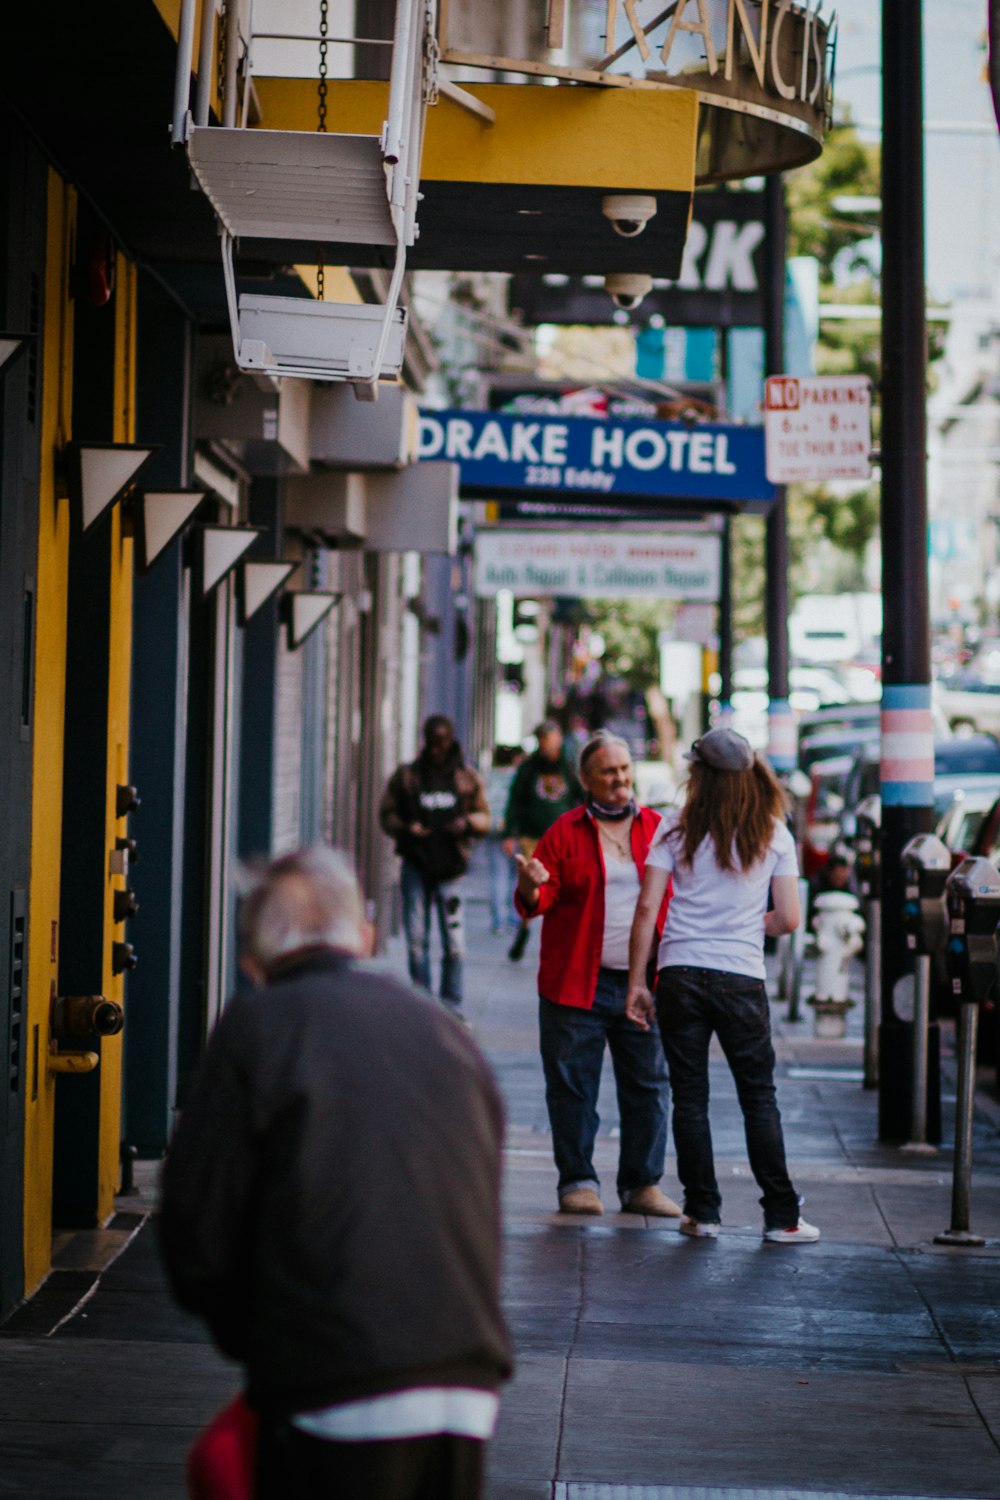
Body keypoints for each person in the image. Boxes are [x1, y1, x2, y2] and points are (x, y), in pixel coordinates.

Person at [159, 847, 512, 1500]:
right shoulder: (442, 1029)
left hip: (335, 1375)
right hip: (467, 1374)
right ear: (365, 936)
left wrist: (265, 1343)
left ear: (253, 963)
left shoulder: (256, 1027)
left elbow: (195, 1231)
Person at [626, 727, 821, 1245]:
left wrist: (636, 983)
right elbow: (789, 919)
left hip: (680, 973)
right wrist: (744, 923)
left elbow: (647, 909)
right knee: (758, 1097)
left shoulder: (673, 827)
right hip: (740, 977)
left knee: (690, 1096)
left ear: (699, 775)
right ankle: (781, 1216)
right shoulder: (773, 832)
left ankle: (703, 1211)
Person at [514, 731, 680, 1219]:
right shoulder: (565, 832)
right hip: (575, 984)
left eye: (625, 769)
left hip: (642, 983)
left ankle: (642, 1184)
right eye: (608, 771)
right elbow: (540, 899)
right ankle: (578, 1180)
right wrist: (529, 886)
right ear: (585, 779)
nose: (620, 779)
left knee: (650, 1084)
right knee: (572, 1086)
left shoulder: (658, 829)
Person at [380, 715, 490, 1013]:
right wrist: (406, 828)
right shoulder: (408, 776)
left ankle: (451, 1004)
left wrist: (466, 823)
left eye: (441, 742)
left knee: (454, 943)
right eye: (431, 741)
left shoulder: (466, 777)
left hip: (451, 869)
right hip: (416, 864)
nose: (436, 748)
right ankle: (422, 1003)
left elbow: (484, 816)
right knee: (416, 940)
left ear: (451, 740)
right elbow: (386, 814)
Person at [503, 720, 584, 962]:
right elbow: (515, 800)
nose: (545, 745)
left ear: (558, 738)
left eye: (549, 739)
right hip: (532, 835)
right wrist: (510, 833)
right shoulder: (529, 768)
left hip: (564, 837)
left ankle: (565, 936)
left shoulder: (570, 767)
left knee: (565, 886)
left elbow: (583, 797)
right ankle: (524, 930)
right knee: (531, 885)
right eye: (541, 740)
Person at [484, 745, 525, 935]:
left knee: (497, 875)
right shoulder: (518, 777)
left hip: (493, 830)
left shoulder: (488, 777)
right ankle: (514, 918)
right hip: (515, 830)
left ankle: (498, 921)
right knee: (516, 876)